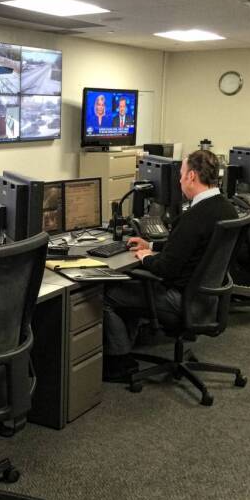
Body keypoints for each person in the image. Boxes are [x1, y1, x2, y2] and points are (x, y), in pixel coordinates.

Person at [102, 150, 238, 381]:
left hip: (181, 300)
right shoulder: (226, 208)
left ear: (192, 176)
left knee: (107, 294)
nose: (180, 180)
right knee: (132, 285)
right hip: (206, 299)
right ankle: (125, 349)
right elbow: (189, 248)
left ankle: (119, 362)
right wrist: (151, 245)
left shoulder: (194, 217)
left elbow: (165, 268)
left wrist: (145, 257)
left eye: (182, 174)